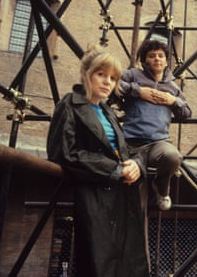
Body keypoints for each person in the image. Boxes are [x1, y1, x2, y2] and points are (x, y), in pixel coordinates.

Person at [47, 44, 149, 277]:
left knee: (129, 264)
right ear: (87, 74)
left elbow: (124, 150)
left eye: (113, 78)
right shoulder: (70, 105)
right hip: (95, 196)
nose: (107, 82)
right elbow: (63, 152)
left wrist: (137, 165)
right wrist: (114, 169)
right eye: (101, 74)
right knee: (99, 264)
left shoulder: (107, 112)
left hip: (123, 195)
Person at [118, 39, 192, 211]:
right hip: (132, 143)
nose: (157, 59)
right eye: (152, 56)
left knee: (173, 156)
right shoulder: (133, 75)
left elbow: (187, 112)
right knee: (133, 196)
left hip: (158, 143)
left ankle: (161, 188)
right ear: (144, 60)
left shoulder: (172, 87)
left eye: (161, 56)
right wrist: (138, 91)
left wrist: (174, 101)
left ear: (166, 60)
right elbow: (115, 83)